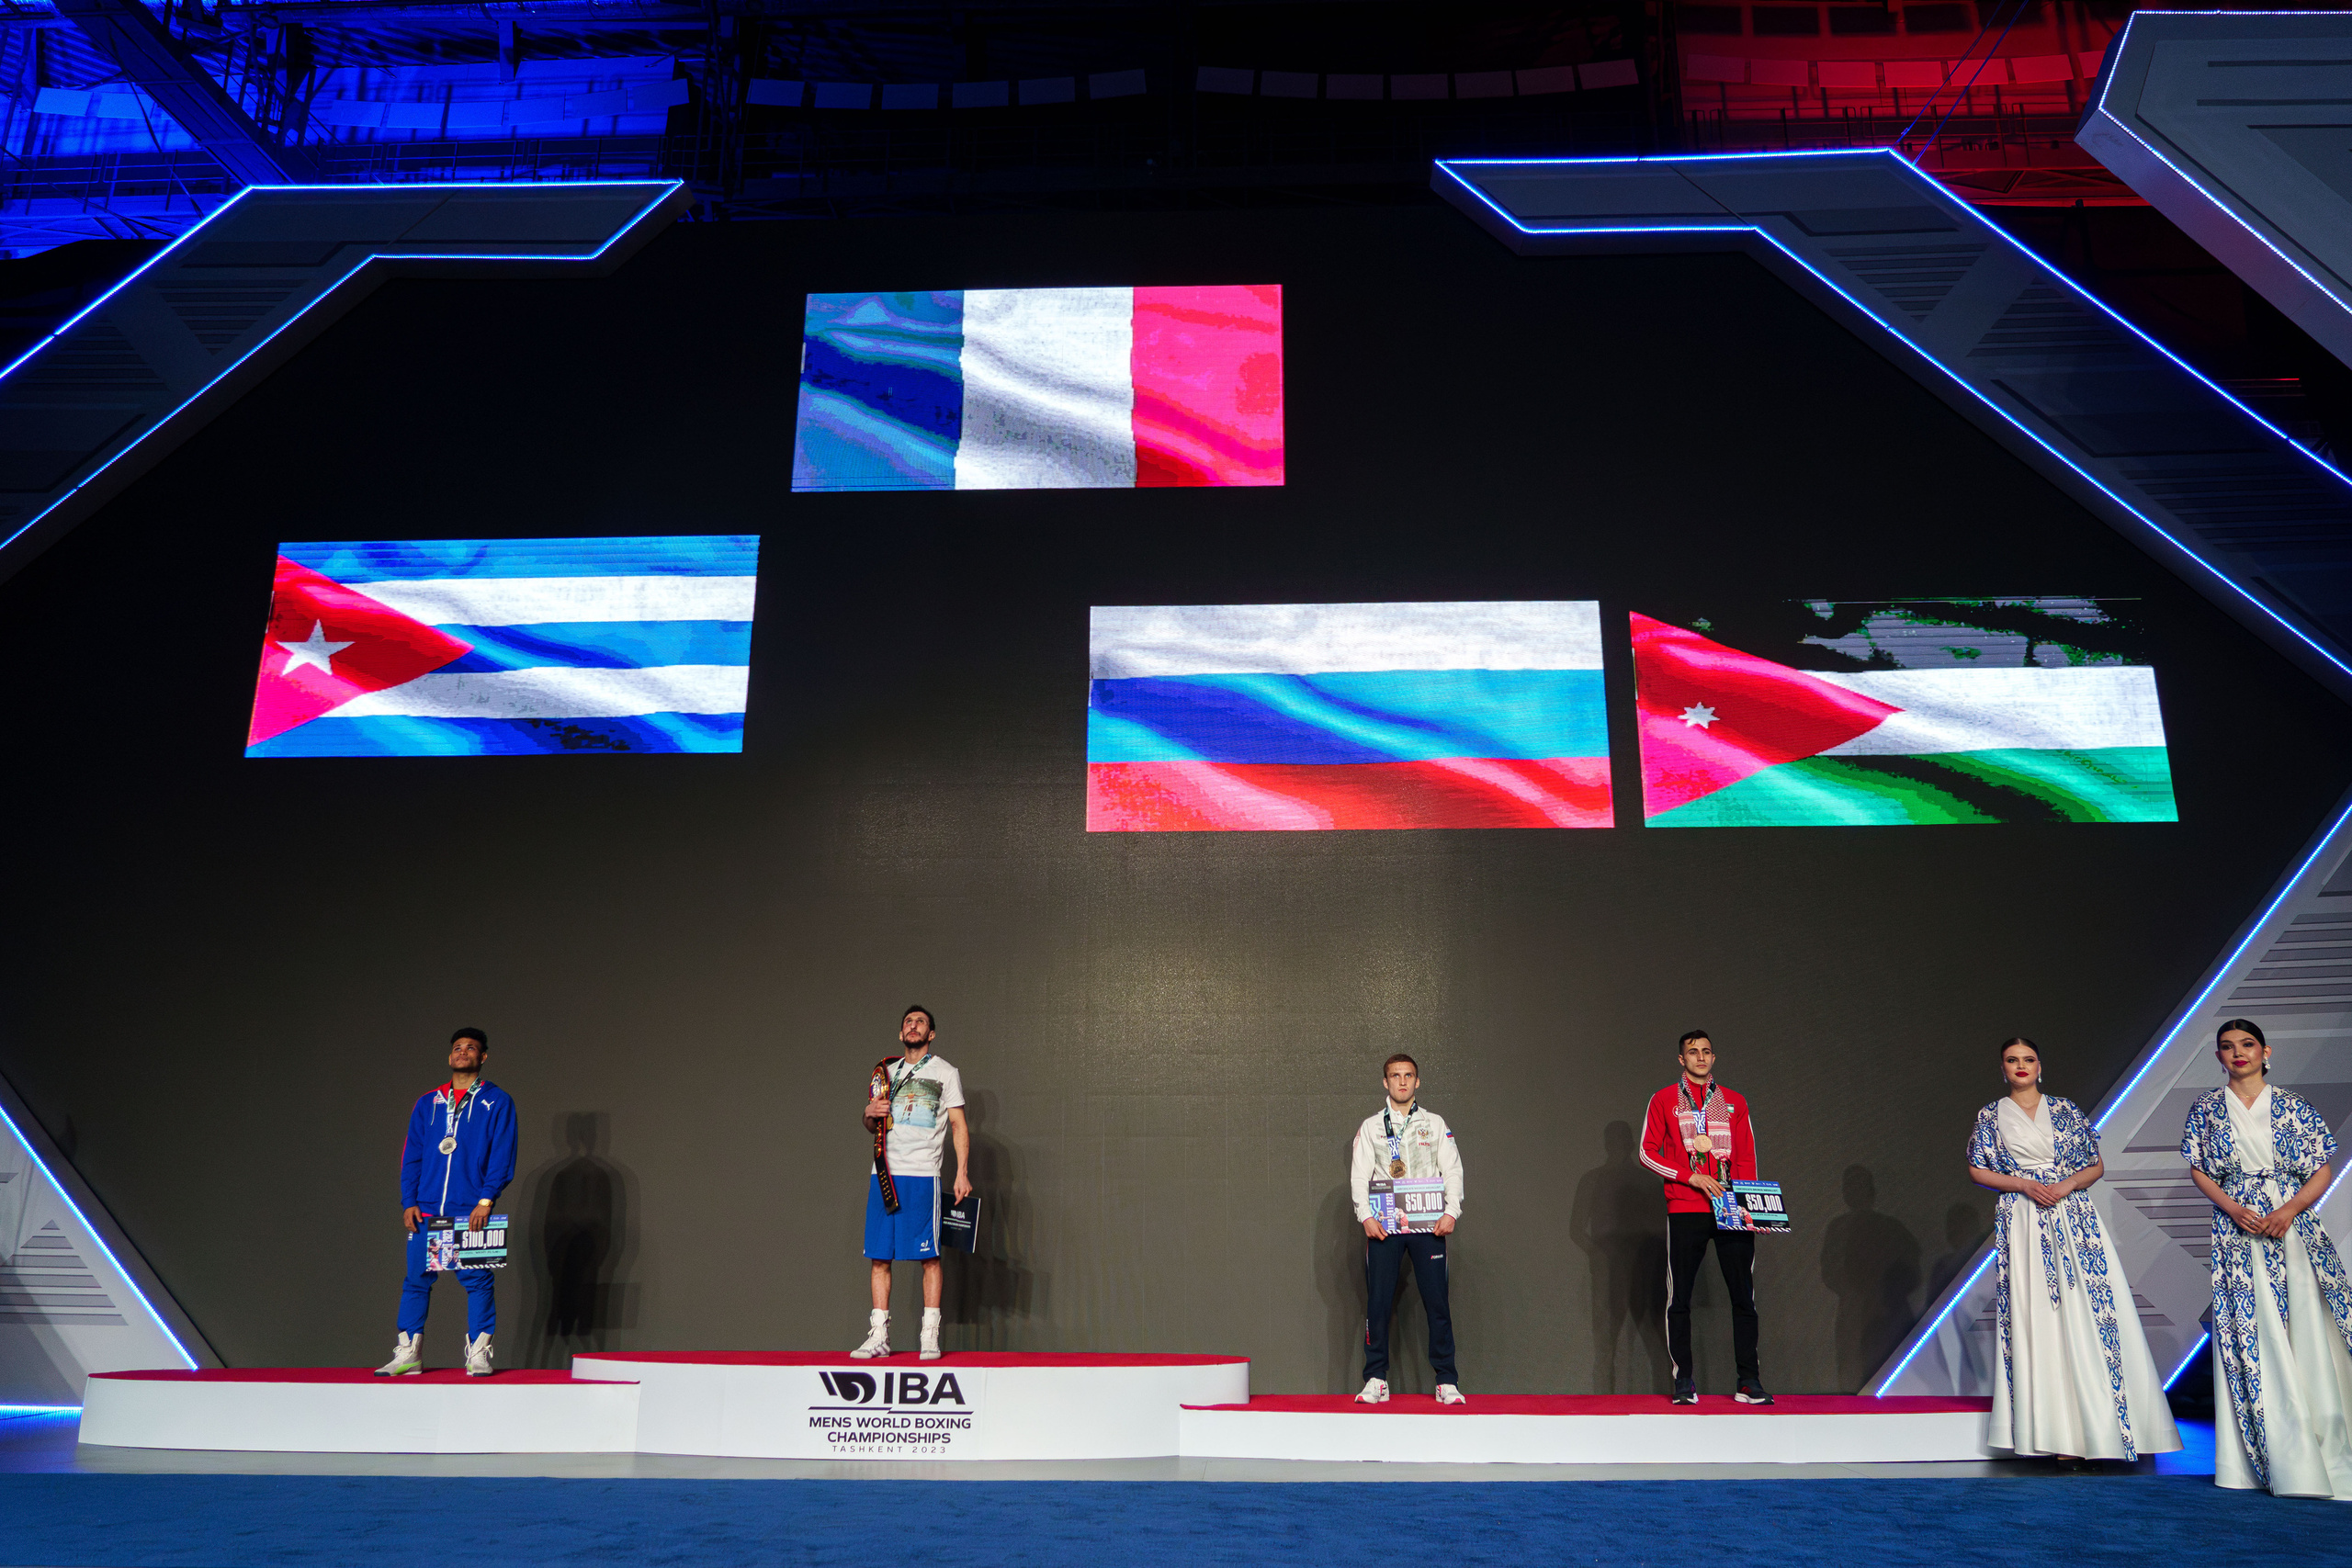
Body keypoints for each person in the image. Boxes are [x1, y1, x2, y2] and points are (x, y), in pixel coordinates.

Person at [1967, 1036, 2179, 1465]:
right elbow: (1977, 1168)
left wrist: (2065, 1185)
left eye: (2028, 1059)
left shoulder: (2064, 1109)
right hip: (2023, 1220)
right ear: (2002, 1068)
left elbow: (2095, 1165)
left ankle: (2104, 1428)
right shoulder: (1990, 1115)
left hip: (2073, 1215)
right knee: (2037, 1318)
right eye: (2012, 1060)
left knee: (2090, 1310)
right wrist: (2024, 1184)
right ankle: (2057, 1435)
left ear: (2040, 1065)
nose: (2021, 1066)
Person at [2184, 1018, 2352, 1498]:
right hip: (2235, 1230)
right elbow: (2199, 1169)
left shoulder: (2295, 1106)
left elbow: (2322, 1169)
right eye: (2227, 1047)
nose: (2238, 1053)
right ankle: (2258, 1455)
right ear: (2218, 1057)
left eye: (2247, 1044)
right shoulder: (2207, 1109)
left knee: (2304, 1326)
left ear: (2265, 1051)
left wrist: (2290, 1209)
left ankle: (2319, 1448)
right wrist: (2233, 1208)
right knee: (2250, 1330)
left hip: (2291, 1227)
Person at [1640, 1029, 1770, 1405]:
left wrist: (1745, 1203)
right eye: (1693, 1052)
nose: (1700, 1057)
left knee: (1743, 1297)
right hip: (1686, 1205)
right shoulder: (1664, 1099)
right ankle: (1684, 1382)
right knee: (1679, 1298)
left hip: (1730, 1208)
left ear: (1714, 1058)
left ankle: (1749, 1381)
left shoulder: (1734, 1102)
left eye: (1707, 1052)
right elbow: (1647, 1153)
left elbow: (1746, 1157)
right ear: (1682, 1059)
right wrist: (1689, 1176)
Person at [377, 1027, 516, 1378]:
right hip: (426, 1210)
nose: (463, 1052)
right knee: (415, 1281)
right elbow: (413, 1155)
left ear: (482, 1057)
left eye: (471, 1048)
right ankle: (408, 1353)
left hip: (468, 1210)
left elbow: (502, 1154)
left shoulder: (497, 1101)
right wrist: (409, 1200)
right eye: (457, 1047)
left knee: (478, 1281)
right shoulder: (429, 1103)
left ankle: (479, 1353)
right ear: (449, 1056)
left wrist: (486, 1200)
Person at [853, 1005, 971, 1361]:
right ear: (901, 1033)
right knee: (878, 1258)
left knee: (929, 1257)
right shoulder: (885, 1072)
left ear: (931, 1034)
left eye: (920, 1022)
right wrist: (868, 1115)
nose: (913, 1026)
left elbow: (958, 1125)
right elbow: (873, 1122)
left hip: (922, 1174)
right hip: (885, 1174)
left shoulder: (946, 1072)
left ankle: (929, 1335)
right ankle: (878, 1336)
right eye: (908, 1022)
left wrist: (962, 1171)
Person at [1348, 1052, 1465, 1404]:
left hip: (1429, 1225)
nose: (1402, 1081)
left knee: (1437, 1303)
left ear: (1417, 1081)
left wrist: (1452, 1211)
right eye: (1395, 1075)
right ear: (1385, 1082)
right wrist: (1365, 1215)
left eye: (1408, 1075)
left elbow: (1453, 1170)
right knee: (1379, 1303)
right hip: (1384, 1225)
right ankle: (1376, 1379)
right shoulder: (1371, 1127)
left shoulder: (1434, 1123)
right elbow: (1359, 1175)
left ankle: (1446, 1381)